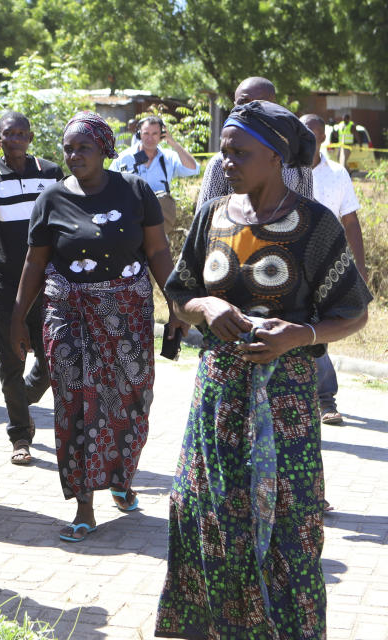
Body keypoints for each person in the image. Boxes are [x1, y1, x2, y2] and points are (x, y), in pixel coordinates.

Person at [156, 101, 372, 639]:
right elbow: (180, 291)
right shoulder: (212, 215)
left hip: (286, 405)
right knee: (206, 514)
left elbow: (355, 311)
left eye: (240, 152)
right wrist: (205, 307)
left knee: (287, 526)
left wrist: (301, 335)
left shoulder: (315, 225)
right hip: (217, 399)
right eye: (225, 150)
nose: (227, 161)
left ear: (275, 157)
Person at [11, 111, 188, 543]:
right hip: (67, 313)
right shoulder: (51, 199)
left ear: (105, 150)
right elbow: (34, 263)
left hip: (126, 316)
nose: (74, 155)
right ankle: (84, 504)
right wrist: (17, 319)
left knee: (129, 398)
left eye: (83, 148)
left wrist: (176, 302)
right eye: (69, 148)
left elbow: (158, 251)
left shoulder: (135, 191)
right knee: (74, 404)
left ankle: (122, 479)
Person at [0, 112, 63, 465]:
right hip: (7, 281)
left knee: (53, 357)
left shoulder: (51, 172)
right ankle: (20, 435)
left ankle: (21, 397)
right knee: (11, 360)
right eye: (8, 134)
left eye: (21, 133)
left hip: (48, 282)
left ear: (30, 137)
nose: (15, 140)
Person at [301, 113, 368, 426]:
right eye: (302, 132)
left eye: (313, 134)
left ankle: (325, 397)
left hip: (326, 265)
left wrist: (360, 271)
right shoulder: (282, 168)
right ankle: (319, 396)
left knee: (319, 327)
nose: (307, 139)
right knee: (307, 327)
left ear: (323, 139)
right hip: (288, 264)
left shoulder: (338, 173)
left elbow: (350, 221)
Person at [196, 77, 313, 212]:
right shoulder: (219, 163)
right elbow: (204, 220)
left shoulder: (296, 162)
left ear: (273, 106)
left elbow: (307, 214)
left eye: (260, 104)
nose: (250, 110)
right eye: (243, 103)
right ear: (234, 106)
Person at [110, 115, 198, 234]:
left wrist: (173, 143)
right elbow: (109, 183)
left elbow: (193, 168)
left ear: (162, 135)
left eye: (155, 133)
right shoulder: (124, 158)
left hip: (159, 226)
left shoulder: (169, 157)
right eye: (146, 133)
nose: (150, 138)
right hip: (130, 223)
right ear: (139, 133)